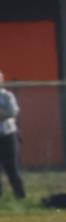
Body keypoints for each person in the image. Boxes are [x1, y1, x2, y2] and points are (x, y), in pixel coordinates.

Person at [0, 70, 23, 200]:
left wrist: (2, 114)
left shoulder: (7, 96)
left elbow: (13, 111)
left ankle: (20, 196)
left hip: (8, 134)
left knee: (12, 167)